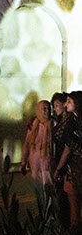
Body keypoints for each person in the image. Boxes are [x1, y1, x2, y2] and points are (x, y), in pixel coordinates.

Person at [54, 91, 82, 226]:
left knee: (74, 209)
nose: (65, 104)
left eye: (69, 101)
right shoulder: (72, 120)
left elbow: (68, 147)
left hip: (74, 170)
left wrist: (58, 168)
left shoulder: (73, 122)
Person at [21, 100, 53, 206]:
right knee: (39, 192)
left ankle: (49, 217)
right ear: (38, 110)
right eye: (44, 109)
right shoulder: (33, 126)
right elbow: (27, 145)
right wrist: (23, 163)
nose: (47, 111)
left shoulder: (53, 125)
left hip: (48, 165)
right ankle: (42, 216)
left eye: (49, 108)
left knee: (48, 191)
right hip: (35, 165)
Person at [50, 92, 72, 226]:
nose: (55, 108)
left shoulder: (69, 123)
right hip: (59, 161)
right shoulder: (60, 121)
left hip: (66, 165)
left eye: (57, 105)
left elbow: (68, 147)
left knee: (66, 198)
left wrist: (58, 168)